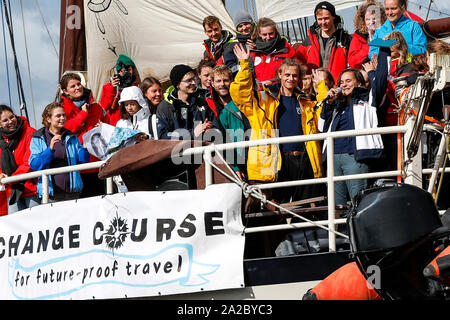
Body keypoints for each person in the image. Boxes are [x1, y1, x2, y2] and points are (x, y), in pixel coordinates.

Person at [231, 44, 327, 204]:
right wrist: (244, 65)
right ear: (280, 75)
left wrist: (322, 88)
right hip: (276, 161)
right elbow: (240, 95)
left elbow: (323, 118)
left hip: (305, 160)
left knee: (309, 209)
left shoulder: (307, 101)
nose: (291, 78)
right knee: (275, 210)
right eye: (287, 74)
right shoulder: (263, 99)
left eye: (295, 76)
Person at [318, 44, 390, 207]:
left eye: (348, 81)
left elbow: (380, 82)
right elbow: (321, 126)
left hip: (355, 157)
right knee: (337, 207)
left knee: (358, 204)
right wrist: (328, 103)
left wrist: (383, 53)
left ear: (359, 83)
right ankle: (340, 233)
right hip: (332, 158)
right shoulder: (336, 105)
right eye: (341, 82)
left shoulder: (368, 101)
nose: (343, 84)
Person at [59, 72, 109, 198]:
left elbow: (109, 124)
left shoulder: (96, 107)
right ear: (65, 91)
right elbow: (65, 130)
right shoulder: (61, 110)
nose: (77, 87)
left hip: (100, 164)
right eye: (73, 86)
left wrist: (103, 128)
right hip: (78, 167)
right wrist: (83, 114)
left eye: (79, 84)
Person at [29, 102, 90, 202]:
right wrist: (50, 150)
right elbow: (34, 165)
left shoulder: (72, 137)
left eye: (63, 115)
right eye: (58, 116)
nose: (62, 118)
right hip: (50, 197)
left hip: (72, 194)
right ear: (48, 119)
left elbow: (83, 162)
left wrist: (84, 149)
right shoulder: (38, 138)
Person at [205, 65, 250, 181]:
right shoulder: (209, 106)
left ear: (231, 81)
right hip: (226, 161)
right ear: (212, 83)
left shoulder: (240, 102)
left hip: (247, 157)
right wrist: (234, 167)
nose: (222, 84)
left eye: (225, 80)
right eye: (218, 81)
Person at [156, 64, 219, 140]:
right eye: (188, 80)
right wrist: (192, 134)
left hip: (205, 150)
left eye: (194, 79)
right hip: (180, 151)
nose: (193, 83)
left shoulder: (201, 102)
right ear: (178, 84)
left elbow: (217, 127)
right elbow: (163, 136)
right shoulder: (165, 107)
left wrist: (210, 128)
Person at [296, 1, 352, 84]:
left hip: (338, 88)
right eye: (320, 19)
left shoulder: (345, 39)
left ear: (333, 16)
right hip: (314, 87)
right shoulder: (310, 40)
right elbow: (297, 62)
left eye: (326, 18)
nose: (323, 22)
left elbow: (352, 65)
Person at [0, 105, 39, 213]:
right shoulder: (1, 141)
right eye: (5, 120)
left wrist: (11, 178)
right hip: (11, 191)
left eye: (12, 117)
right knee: (15, 228)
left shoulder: (29, 132)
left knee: (36, 225)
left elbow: (30, 161)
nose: (10, 121)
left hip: (30, 189)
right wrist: (1, 175)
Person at [249, 17, 297, 86]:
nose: (268, 37)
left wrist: (273, 82)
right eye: (264, 34)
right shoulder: (253, 53)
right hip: (261, 93)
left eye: (271, 33)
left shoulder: (286, 49)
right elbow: (249, 75)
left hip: (283, 91)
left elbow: (295, 73)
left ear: (275, 32)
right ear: (259, 34)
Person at [100, 54, 140, 126]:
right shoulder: (109, 87)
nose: (127, 73)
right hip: (116, 124)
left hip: (133, 124)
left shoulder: (136, 86)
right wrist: (112, 88)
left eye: (129, 69)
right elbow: (104, 106)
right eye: (123, 71)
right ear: (118, 73)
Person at [349, 0, 387, 69]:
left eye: (374, 18)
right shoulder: (358, 37)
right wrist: (370, 46)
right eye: (368, 19)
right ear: (363, 21)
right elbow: (352, 62)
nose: (372, 22)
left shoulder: (388, 33)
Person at [222, 10, 256, 78]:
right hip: (242, 80)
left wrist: (257, 48)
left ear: (252, 24)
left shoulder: (263, 38)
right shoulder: (232, 45)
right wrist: (243, 68)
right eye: (240, 26)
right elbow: (230, 67)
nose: (244, 28)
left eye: (246, 24)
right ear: (237, 29)